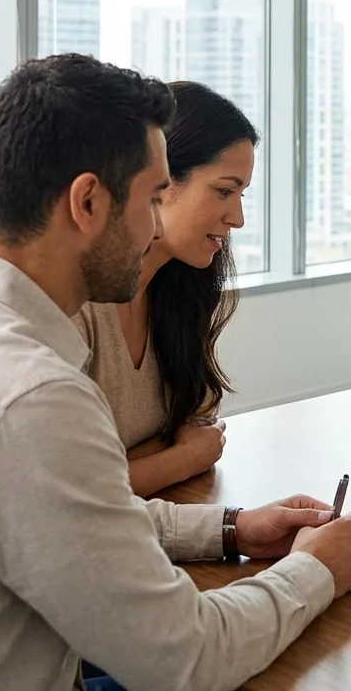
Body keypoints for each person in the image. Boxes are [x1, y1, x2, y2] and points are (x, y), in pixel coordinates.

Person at [0, 54, 351, 691]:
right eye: (153, 197)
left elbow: (76, 516)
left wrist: (232, 528)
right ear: (89, 202)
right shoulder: (34, 398)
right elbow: (191, 658)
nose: (156, 223)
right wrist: (315, 571)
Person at [73, 80, 255, 497]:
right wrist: (180, 458)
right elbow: (76, 490)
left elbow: (199, 424)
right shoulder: (78, 306)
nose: (238, 218)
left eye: (241, 194)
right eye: (224, 191)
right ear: (160, 179)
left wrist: (136, 464)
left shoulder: (180, 287)